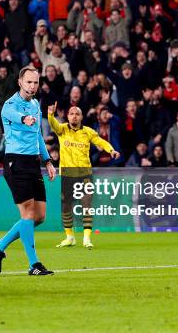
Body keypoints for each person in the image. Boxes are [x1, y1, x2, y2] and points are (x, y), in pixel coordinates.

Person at [0, 66, 57, 276]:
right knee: (27, 214)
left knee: (40, 216)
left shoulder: (36, 104)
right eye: (28, 82)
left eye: (35, 82)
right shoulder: (9, 105)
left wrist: (48, 161)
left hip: (33, 163)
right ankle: (34, 264)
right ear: (20, 82)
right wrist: (25, 119)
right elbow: (17, 116)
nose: (32, 86)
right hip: (15, 163)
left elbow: (37, 136)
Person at [48, 103, 119, 249]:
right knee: (66, 206)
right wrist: (50, 114)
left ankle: (86, 238)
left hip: (85, 174)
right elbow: (53, 124)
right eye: (71, 113)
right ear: (67, 116)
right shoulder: (62, 130)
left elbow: (100, 141)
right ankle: (70, 237)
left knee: (86, 205)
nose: (74, 116)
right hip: (68, 174)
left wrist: (110, 150)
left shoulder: (88, 131)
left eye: (77, 114)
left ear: (81, 117)